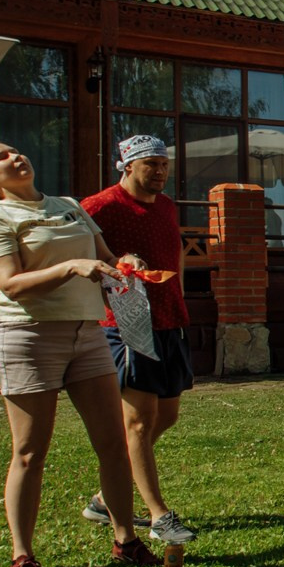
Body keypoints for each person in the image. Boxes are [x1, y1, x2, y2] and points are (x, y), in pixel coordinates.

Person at [0, 138, 152, 567]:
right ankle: (23, 556)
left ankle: (124, 539)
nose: (16, 156)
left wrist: (123, 262)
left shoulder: (68, 205)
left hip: (86, 333)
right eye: (3, 158)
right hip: (27, 337)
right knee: (30, 452)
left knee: (111, 442)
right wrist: (70, 268)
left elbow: (104, 257)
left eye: (16, 150)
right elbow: (9, 283)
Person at [80, 137, 199, 542]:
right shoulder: (99, 206)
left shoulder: (166, 206)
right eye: (151, 164)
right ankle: (159, 515)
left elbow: (174, 251)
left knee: (166, 416)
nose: (160, 171)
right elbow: (81, 253)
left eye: (164, 164)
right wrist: (116, 264)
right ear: (126, 166)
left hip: (170, 319)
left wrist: (179, 293)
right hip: (126, 321)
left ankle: (101, 499)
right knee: (138, 422)